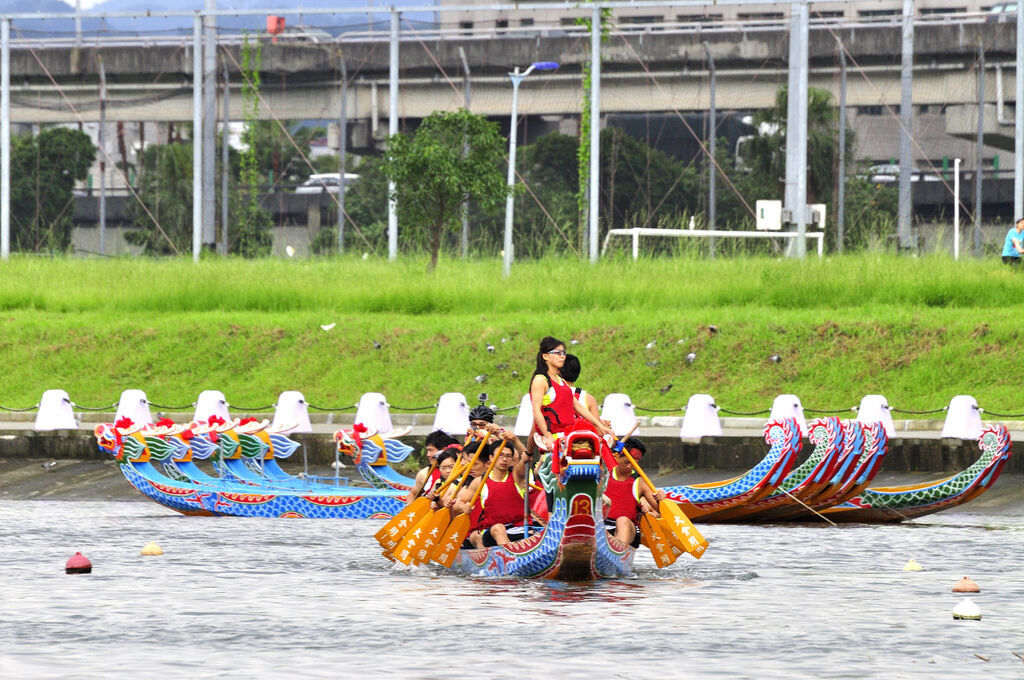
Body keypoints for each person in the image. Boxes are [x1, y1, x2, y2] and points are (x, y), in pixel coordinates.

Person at [530, 336, 614, 454]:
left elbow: (578, 406)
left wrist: (601, 426)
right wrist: (548, 436)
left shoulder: (560, 380)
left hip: (568, 436)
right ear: (545, 356)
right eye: (557, 353)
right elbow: (536, 410)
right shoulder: (540, 379)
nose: (562, 356)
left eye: (563, 352)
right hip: (553, 439)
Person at [603, 437, 665, 548]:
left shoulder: (640, 482)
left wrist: (661, 499)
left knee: (622, 521)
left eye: (633, 464)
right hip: (602, 528)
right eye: (627, 462)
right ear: (618, 456)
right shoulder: (604, 474)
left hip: (627, 528)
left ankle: (618, 553)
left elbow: (661, 511)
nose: (629, 467)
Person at [405, 430, 459, 502]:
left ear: (443, 450)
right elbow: (413, 493)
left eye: (431, 450)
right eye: (427, 451)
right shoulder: (424, 473)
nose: (428, 454)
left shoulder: (461, 470)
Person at [561, 353, 601, 421]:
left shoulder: (550, 395)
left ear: (558, 371)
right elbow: (598, 430)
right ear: (578, 372)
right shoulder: (589, 399)